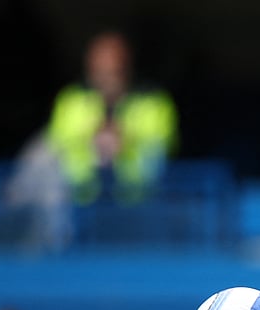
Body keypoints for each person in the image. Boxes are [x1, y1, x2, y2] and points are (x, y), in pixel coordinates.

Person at [45, 30, 178, 205]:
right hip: (80, 201)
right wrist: (91, 140)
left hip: (138, 201)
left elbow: (165, 145)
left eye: (113, 72)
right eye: (100, 71)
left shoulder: (153, 100)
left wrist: (128, 140)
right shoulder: (71, 99)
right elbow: (56, 143)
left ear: (127, 67)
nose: (106, 80)